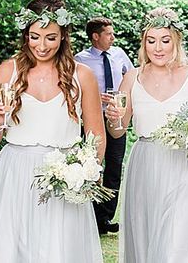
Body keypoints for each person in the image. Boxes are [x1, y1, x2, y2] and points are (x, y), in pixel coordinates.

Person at [0, 0, 105, 263]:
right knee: (11, 249)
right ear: (26, 35)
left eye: (51, 38)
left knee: (60, 251)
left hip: (64, 177)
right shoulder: (7, 71)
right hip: (14, 174)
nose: (42, 46)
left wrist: (84, 172)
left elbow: (96, 135)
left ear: (63, 37)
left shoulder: (82, 76)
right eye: (35, 37)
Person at [106, 7, 188, 263]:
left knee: (179, 236)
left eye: (165, 40)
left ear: (176, 41)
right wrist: (113, 118)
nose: (158, 48)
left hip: (184, 163)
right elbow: (118, 130)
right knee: (145, 232)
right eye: (151, 41)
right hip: (145, 162)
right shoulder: (132, 78)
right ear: (144, 42)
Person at [75, 16, 134, 234]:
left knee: (114, 166)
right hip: (91, 119)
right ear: (95, 36)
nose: (113, 37)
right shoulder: (80, 59)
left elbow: (132, 77)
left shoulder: (119, 55)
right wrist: (90, 96)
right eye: (108, 34)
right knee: (91, 165)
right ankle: (88, 213)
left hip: (116, 118)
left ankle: (106, 217)